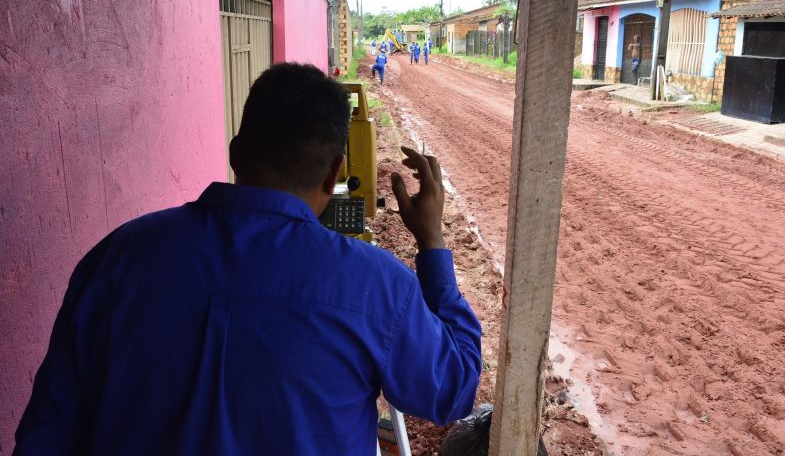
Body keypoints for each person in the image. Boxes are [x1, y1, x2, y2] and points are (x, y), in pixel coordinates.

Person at [14, 63, 482, 456]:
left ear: (236, 153)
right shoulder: (377, 286)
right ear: (335, 173)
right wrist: (432, 240)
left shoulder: (114, 260)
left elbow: (48, 433)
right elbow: (453, 391)